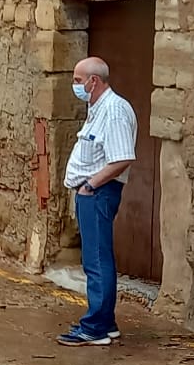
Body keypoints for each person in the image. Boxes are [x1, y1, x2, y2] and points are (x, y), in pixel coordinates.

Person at [57, 56, 137, 347]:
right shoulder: (98, 108)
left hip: (99, 193)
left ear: (94, 81)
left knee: (97, 260)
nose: (75, 86)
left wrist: (90, 185)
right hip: (93, 193)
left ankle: (95, 328)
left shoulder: (114, 111)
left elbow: (122, 157)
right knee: (95, 257)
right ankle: (106, 322)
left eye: (78, 81)